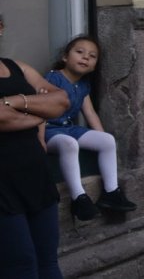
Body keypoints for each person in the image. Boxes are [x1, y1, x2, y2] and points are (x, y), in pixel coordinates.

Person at [42, 36, 137, 221]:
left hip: (69, 128)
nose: (85, 57)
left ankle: (111, 193)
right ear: (65, 57)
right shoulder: (53, 78)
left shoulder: (83, 85)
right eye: (79, 52)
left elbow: (90, 113)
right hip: (49, 130)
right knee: (69, 144)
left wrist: (100, 139)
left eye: (92, 56)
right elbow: (41, 107)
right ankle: (79, 198)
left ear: (94, 65)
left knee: (107, 140)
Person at [0, 56, 69, 279]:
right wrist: (40, 111)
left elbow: (61, 101)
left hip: (35, 173)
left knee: (47, 261)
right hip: (2, 185)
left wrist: (13, 102)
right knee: (20, 266)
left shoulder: (16, 66)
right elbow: (2, 119)